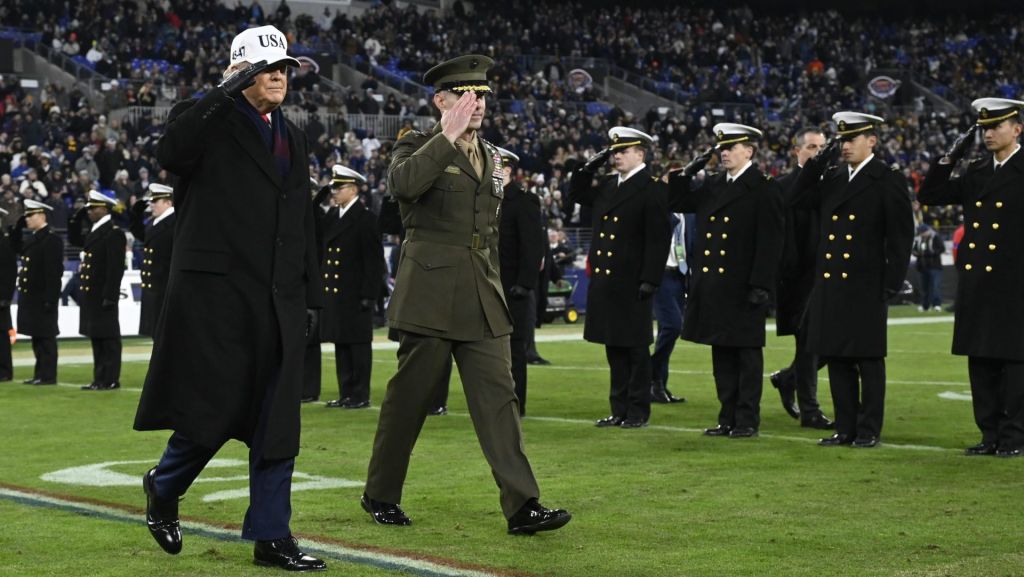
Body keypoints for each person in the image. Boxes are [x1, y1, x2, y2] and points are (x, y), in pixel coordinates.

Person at [132, 25, 326, 571]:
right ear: (239, 73)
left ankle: (272, 536)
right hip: (218, 299)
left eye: (285, 68)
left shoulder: (295, 134)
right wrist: (221, 92)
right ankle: (164, 486)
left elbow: (300, 220)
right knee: (212, 411)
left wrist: (311, 296)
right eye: (267, 68)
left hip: (279, 299)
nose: (280, 76)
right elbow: (171, 152)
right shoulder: (203, 117)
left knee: (277, 421)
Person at [362, 54, 571, 535]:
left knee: (500, 399)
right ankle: (380, 493)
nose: (476, 104)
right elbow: (402, 186)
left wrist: (496, 282)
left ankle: (523, 506)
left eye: (482, 96)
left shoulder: (494, 156)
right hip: (431, 293)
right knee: (409, 401)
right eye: (465, 95)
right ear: (441, 100)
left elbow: (489, 232)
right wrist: (447, 135)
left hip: (481, 291)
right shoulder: (416, 143)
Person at [790, 112, 914, 448]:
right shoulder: (831, 178)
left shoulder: (886, 179)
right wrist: (817, 161)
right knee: (838, 358)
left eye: (851, 139)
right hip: (831, 284)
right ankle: (845, 427)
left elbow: (901, 237)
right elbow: (796, 198)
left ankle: (869, 428)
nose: (845, 146)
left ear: (871, 141)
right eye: (841, 140)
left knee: (868, 359)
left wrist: (891, 283)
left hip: (867, 283)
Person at [918, 97, 1024, 457]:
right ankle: (989, 434)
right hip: (978, 283)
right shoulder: (977, 170)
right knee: (981, 362)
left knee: (1015, 364)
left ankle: (1014, 437)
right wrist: (950, 157)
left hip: (1015, 284)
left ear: (1017, 129)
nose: (989, 133)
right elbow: (929, 194)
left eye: (996, 126)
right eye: (984, 129)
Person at [665, 123, 784, 439]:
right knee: (721, 356)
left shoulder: (763, 186)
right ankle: (726, 416)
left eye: (731, 147)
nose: (725, 153)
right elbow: (676, 201)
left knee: (746, 356)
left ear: (750, 150)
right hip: (715, 286)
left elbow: (770, 240)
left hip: (744, 287)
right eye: (721, 148)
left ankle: (746, 419)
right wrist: (688, 170)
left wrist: (761, 284)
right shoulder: (714, 184)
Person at [568, 126, 671, 428]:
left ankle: (637, 410)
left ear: (640, 153)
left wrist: (650, 278)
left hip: (632, 281)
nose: (617, 157)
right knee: (614, 347)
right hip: (607, 282)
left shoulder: (652, 188)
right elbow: (576, 193)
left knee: (635, 349)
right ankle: (619, 409)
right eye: (613, 152)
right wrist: (590, 165)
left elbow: (658, 238)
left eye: (623, 151)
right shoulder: (607, 186)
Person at [769, 127, 834, 429]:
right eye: (810, 147)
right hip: (800, 279)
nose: (817, 152)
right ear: (797, 151)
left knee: (831, 344)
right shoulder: (782, 186)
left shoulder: (835, 184)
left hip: (832, 276)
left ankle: (787, 379)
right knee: (809, 343)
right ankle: (810, 410)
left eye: (821, 147)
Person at [315, 164, 385, 410]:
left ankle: (359, 394)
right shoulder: (334, 216)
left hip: (355, 294)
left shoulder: (366, 219)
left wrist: (369, 294)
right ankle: (346, 393)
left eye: (339, 187)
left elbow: (374, 262)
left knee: (357, 346)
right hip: (337, 294)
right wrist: (319, 197)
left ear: (353, 189)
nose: (334, 192)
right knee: (341, 344)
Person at [496, 146, 544, 416]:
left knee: (514, 350)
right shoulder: (484, 199)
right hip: (488, 286)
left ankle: (515, 404)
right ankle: (495, 402)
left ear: (507, 170)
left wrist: (525, 284)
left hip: (512, 288)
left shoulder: (523, 201)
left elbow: (533, 246)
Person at [73, 191, 126, 391]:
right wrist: (76, 217)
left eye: (93, 208)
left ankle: (111, 378)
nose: (89, 212)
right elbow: (74, 237)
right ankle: (99, 378)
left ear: (104, 209)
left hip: (104, 296)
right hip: (93, 295)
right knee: (97, 338)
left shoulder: (113, 233)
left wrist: (110, 296)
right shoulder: (95, 231)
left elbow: (115, 268)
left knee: (109, 339)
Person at [15, 199, 64, 385]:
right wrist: (17, 228)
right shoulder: (33, 238)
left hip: (43, 297)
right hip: (32, 297)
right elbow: (16, 248)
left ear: (42, 216)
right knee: (37, 337)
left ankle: (48, 375)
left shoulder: (51, 240)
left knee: (46, 338)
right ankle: (40, 373)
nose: (27, 219)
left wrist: (50, 299)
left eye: (30, 215)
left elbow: (54, 273)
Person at [649, 210, 693, 404]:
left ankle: (658, 385)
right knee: (673, 326)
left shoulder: (689, 214)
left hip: (679, 274)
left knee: (666, 331)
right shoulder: (661, 210)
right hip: (660, 274)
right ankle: (651, 372)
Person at [129, 183, 176, 337]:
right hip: (153, 290)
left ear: (168, 202)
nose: (151, 205)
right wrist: (137, 210)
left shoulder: (174, 223)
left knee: (166, 338)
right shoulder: (154, 223)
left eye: (155, 201)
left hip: (165, 290)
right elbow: (138, 232)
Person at [0, 207, 18, 381]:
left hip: (0, 298)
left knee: (2, 336)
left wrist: (6, 296)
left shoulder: (4, 242)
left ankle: (5, 371)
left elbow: (10, 272)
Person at [911, 223, 945, 312]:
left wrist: (929, 253)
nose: (922, 234)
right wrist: (916, 253)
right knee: (924, 288)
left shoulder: (935, 237)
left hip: (934, 266)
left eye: (923, 232)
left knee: (935, 286)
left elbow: (941, 248)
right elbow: (914, 250)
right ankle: (925, 305)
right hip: (922, 267)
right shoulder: (918, 240)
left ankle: (936, 305)